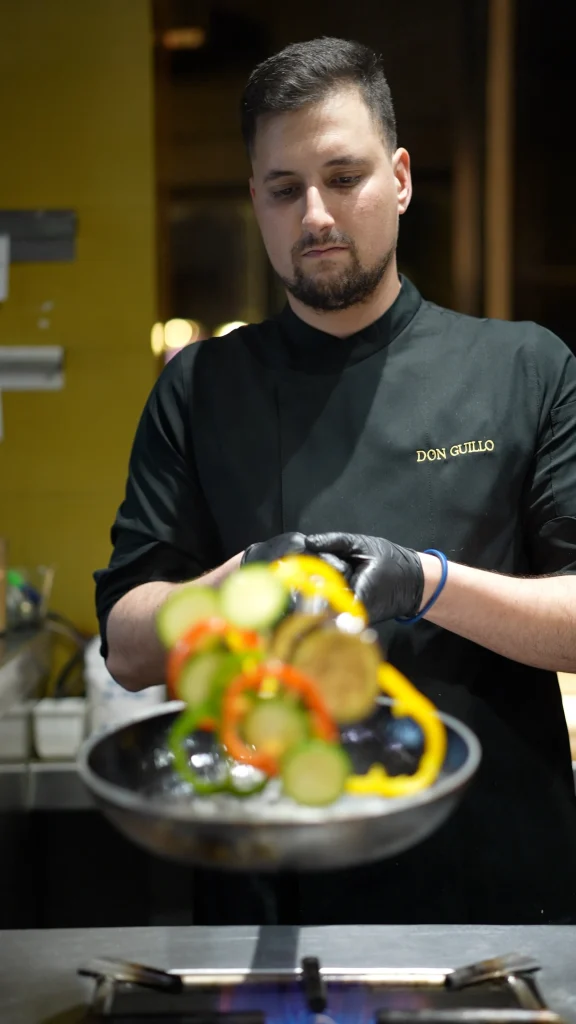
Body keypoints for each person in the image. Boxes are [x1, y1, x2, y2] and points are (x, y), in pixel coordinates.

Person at [94, 37, 576, 926]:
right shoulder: (199, 388)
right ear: (256, 201)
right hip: (265, 899)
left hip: (497, 897)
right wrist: (234, 583)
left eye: (344, 177)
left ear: (399, 178)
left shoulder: (524, 367)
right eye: (285, 189)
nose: (315, 214)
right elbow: (127, 648)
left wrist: (424, 582)